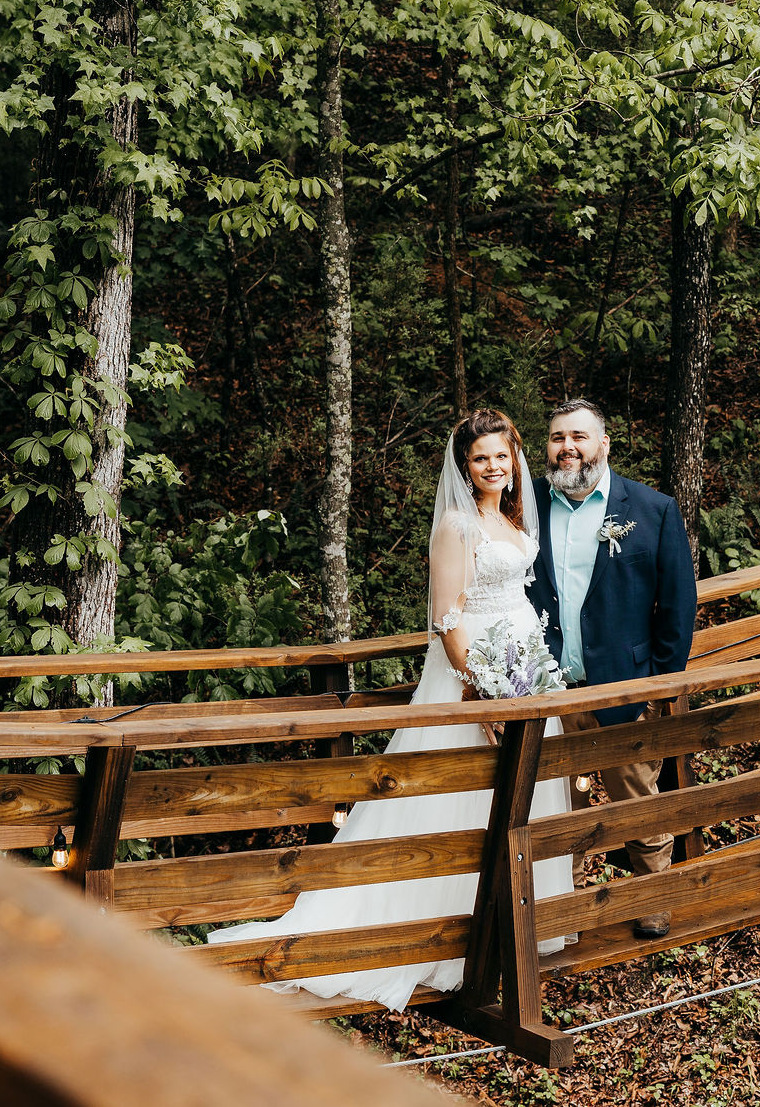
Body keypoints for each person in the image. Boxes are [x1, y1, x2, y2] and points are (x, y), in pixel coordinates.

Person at [205, 409, 573, 1012]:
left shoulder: (509, 518)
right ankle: (443, 936)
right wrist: (478, 691)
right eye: (482, 458)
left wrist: (526, 675)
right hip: (474, 676)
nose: (495, 466)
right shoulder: (455, 526)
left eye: (502, 455)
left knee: (517, 795)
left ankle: (511, 925)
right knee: (457, 801)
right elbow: (448, 618)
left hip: (523, 668)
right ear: (464, 466)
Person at [529, 398, 697, 939]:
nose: (567, 447)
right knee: (558, 807)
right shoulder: (523, 507)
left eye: (579, 436)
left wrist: (656, 685)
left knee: (636, 800)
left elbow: (677, 607)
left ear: (604, 444)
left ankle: (650, 900)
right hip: (548, 689)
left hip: (624, 688)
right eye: (557, 437)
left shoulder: (652, 510)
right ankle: (566, 911)